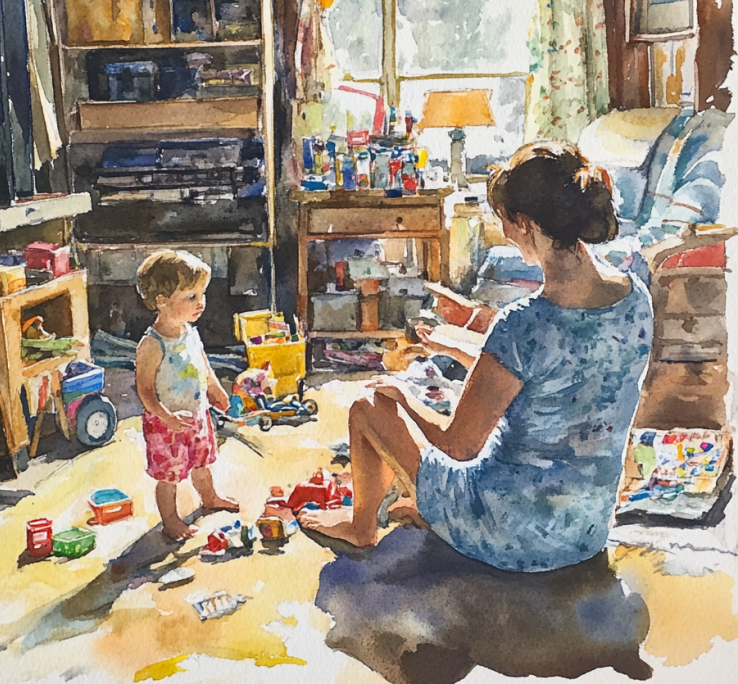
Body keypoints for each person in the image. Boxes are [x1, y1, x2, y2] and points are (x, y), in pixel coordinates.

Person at [300, 142, 654, 572]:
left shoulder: (522, 323)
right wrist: (453, 345)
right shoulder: (635, 298)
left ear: (524, 223)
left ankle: (361, 528)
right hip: (584, 534)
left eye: (503, 220)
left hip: (505, 534)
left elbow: (459, 446)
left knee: (370, 404)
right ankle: (428, 507)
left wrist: (404, 399)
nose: (504, 232)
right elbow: (559, 372)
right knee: (461, 422)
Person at [136, 250, 238, 540]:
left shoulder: (190, 332)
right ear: (162, 301)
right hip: (165, 423)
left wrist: (214, 387)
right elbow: (144, 390)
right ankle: (170, 520)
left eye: (202, 294)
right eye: (191, 296)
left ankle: (210, 497)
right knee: (169, 476)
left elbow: (201, 363)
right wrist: (165, 416)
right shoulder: (152, 345)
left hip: (197, 413)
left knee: (202, 462)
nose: (201, 302)